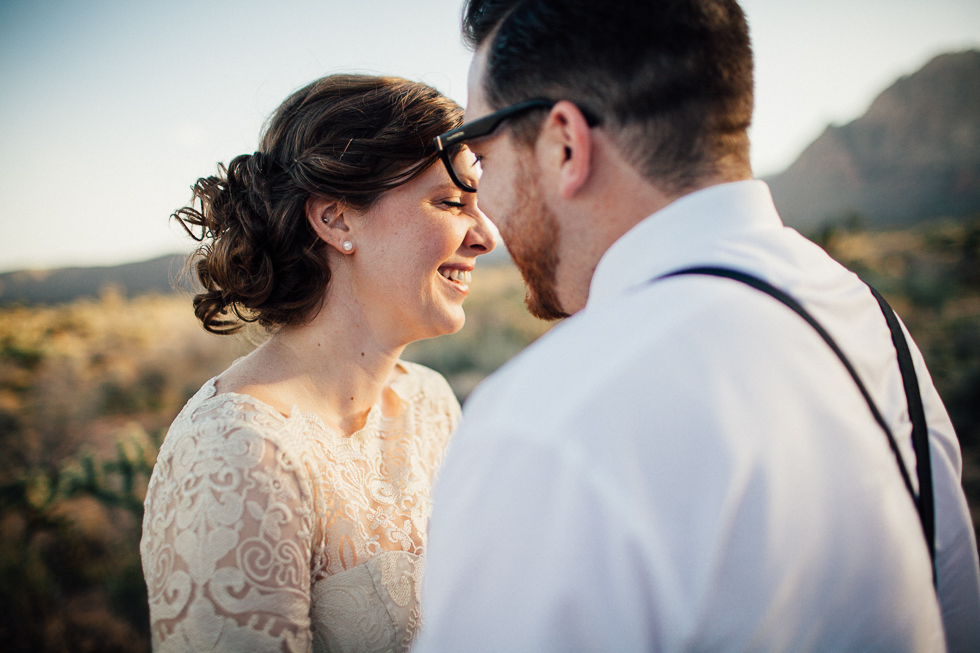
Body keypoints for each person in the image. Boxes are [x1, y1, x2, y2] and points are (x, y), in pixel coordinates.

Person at [412, 1, 980, 651]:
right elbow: (954, 611)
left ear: (566, 143)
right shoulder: (874, 326)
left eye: (482, 151)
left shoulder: (548, 420)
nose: (486, 216)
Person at [139, 74, 495, 653]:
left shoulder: (430, 404)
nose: (486, 237)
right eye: (451, 202)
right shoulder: (237, 450)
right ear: (336, 219)